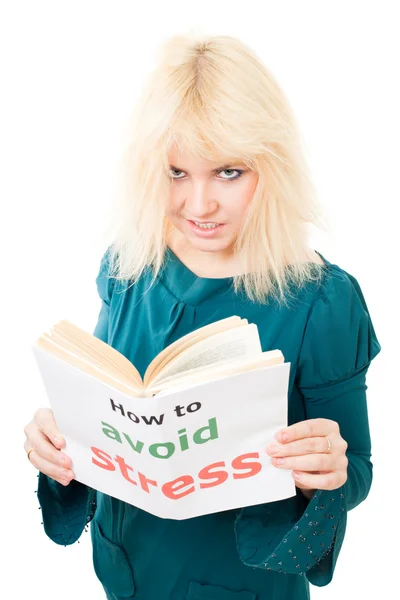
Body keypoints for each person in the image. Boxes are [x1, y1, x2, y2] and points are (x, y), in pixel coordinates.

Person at [24, 33, 381, 600]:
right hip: (126, 571)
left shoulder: (322, 301)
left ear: (272, 166)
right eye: (176, 173)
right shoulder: (129, 265)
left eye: (229, 172)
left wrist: (327, 474)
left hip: (239, 584)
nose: (199, 205)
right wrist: (61, 441)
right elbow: (106, 408)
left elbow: (354, 466)